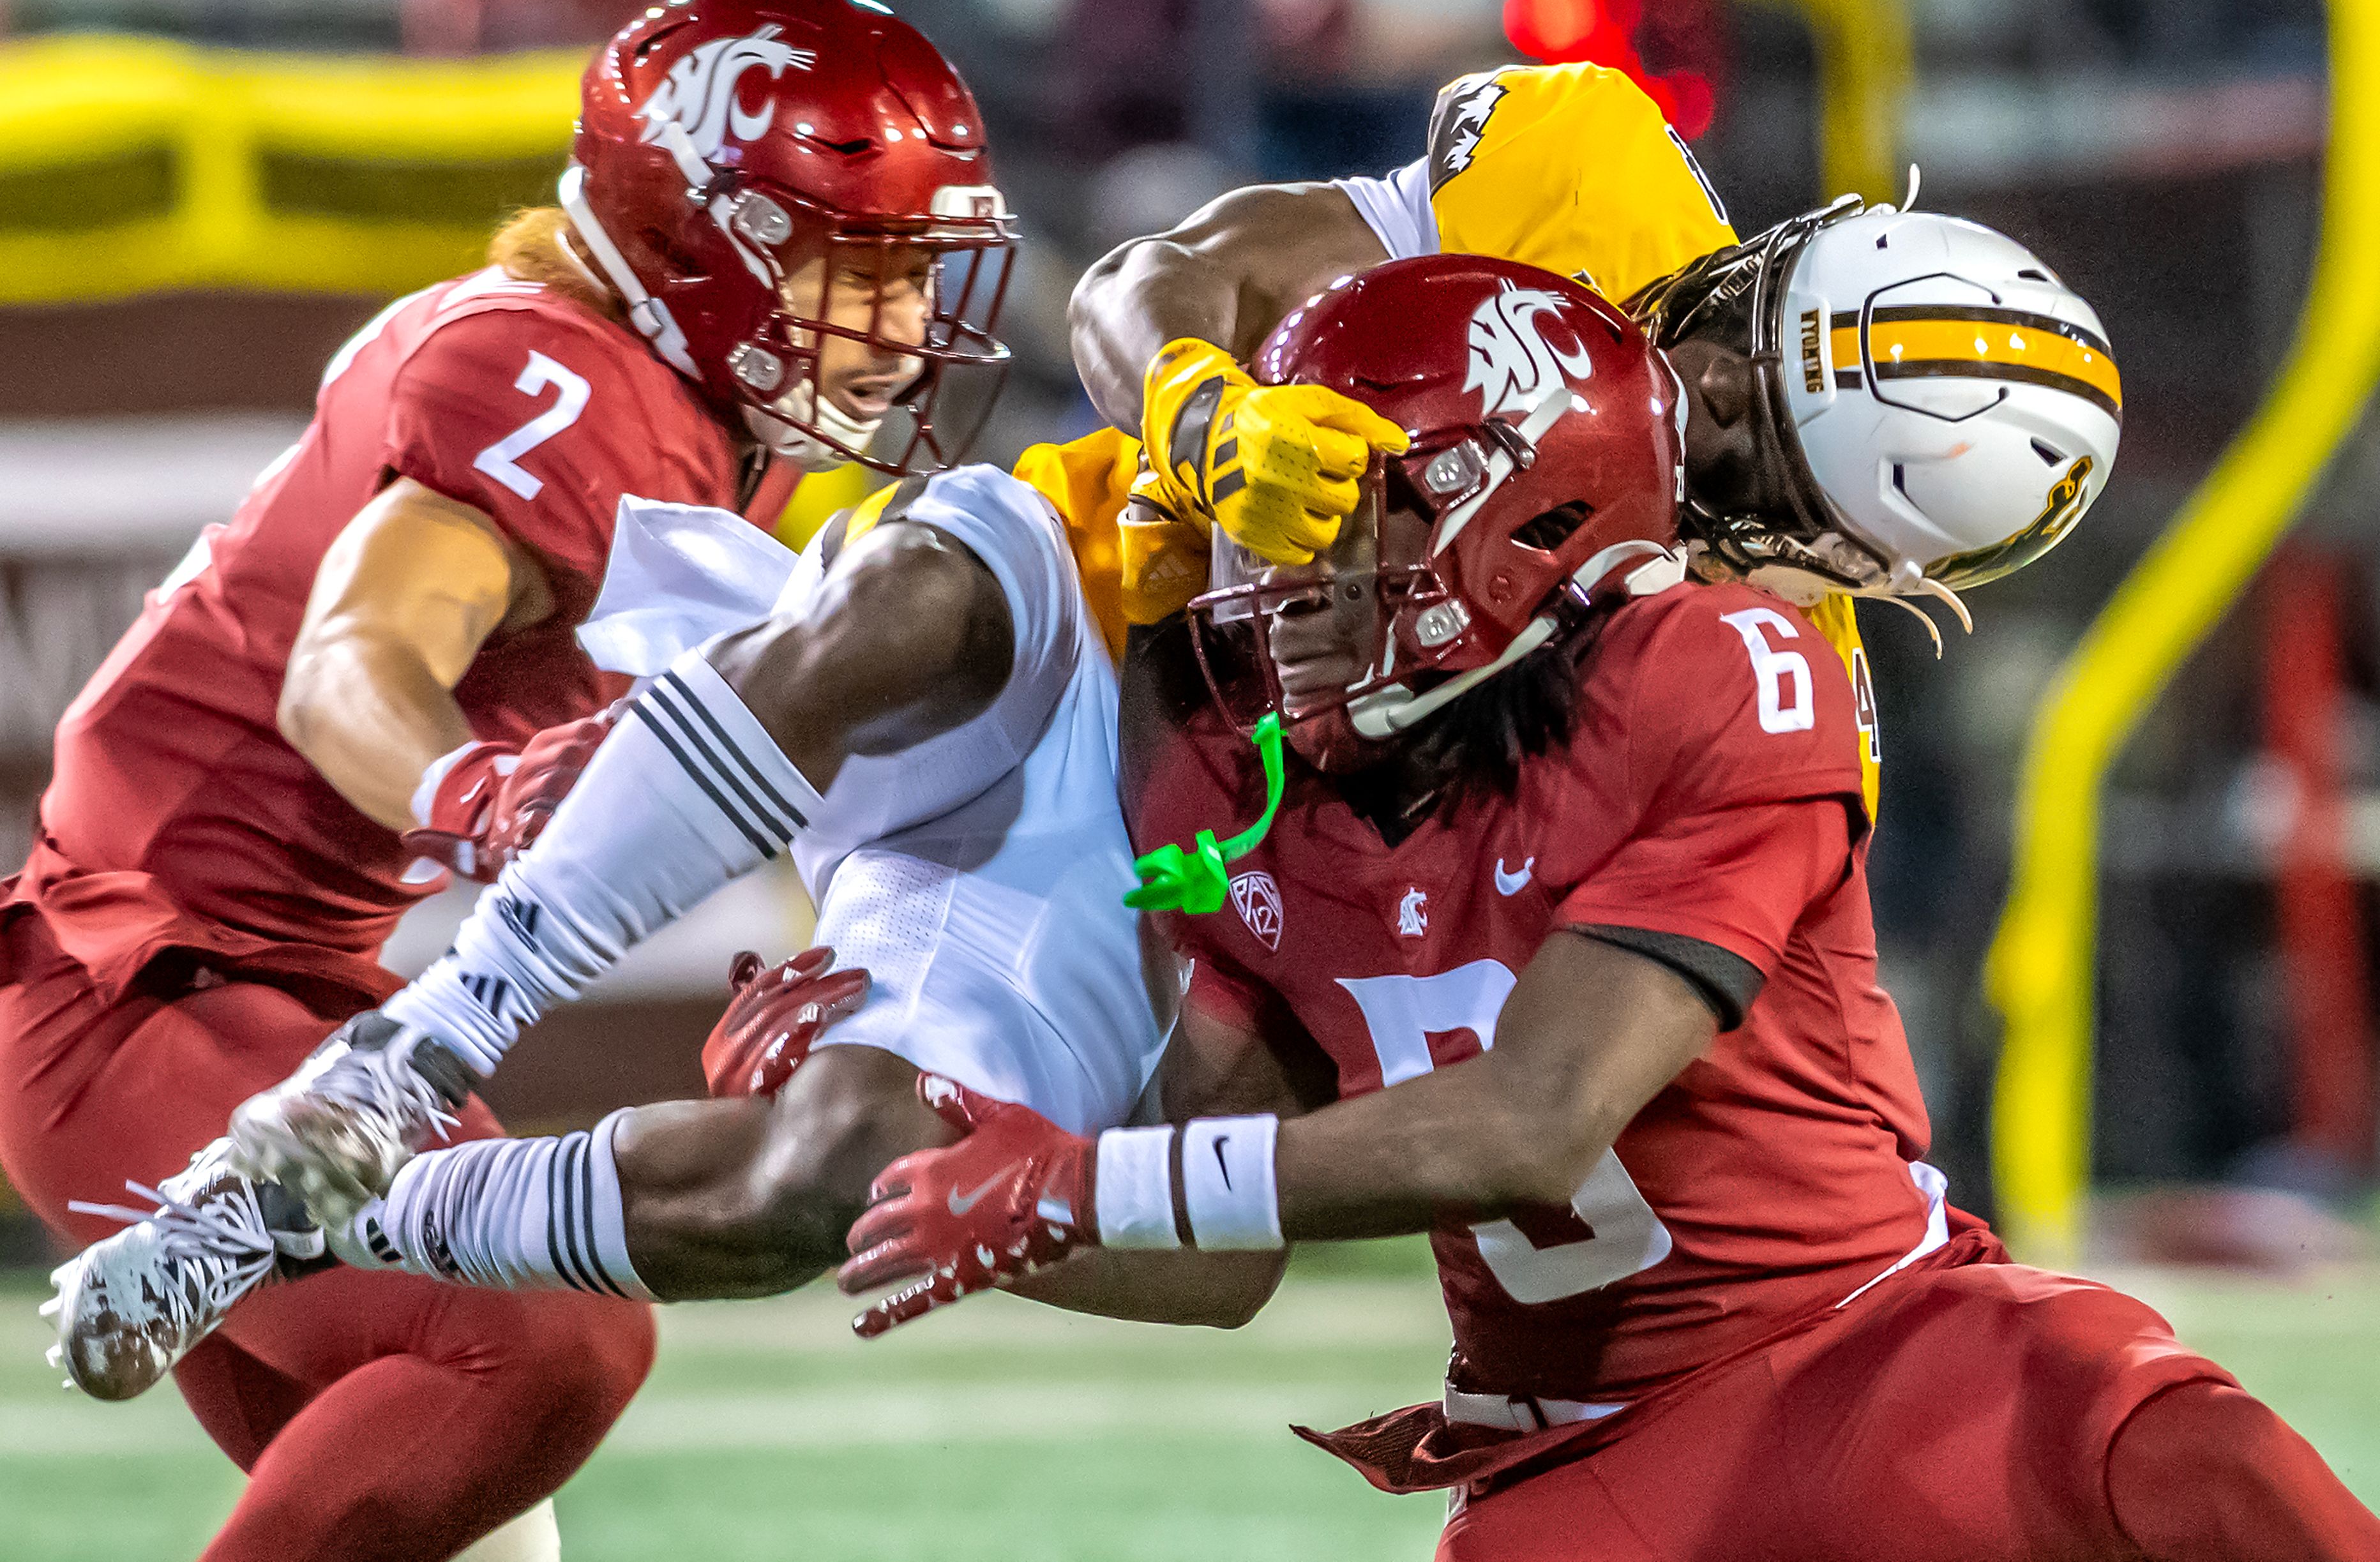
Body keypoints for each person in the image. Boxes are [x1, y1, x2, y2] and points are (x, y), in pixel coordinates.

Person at [835, 257, 2380, 1562]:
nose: (1280, 571)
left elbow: (1525, 1125)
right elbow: (1218, 1252)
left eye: (1346, 513)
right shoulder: (1239, 768)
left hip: (1882, 1359)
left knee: (2188, 1451)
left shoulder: (1716, 671)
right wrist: (919, 1163)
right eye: (1269, 520)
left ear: (1529, 516)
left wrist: (1073, 1189)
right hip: (1575, 1475)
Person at [0, 0, 1011, 1562]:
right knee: (550, 1341)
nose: (894, 323)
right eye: (852, 269)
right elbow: (353, 666)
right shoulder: (565, 380)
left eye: (909, 273)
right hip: (138, 993)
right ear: (694, 241)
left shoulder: (700, 404)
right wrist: (478, 795)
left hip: (292, 1004)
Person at [1069, 60, 2125, 822]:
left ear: (1838, 562)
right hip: (1095, 617)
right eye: (1742, 324)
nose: (1704, 380)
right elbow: (1144, 281)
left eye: (1750, 441)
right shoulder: (1591, 185)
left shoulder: (1770, 714)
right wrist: (1205, 416)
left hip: (1260, 876)